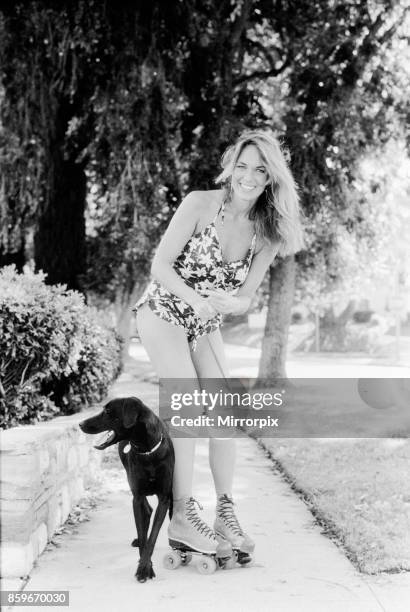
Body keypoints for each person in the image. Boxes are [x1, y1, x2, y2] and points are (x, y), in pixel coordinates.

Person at [132, 129, 304, 562]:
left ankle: (225, 509)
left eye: (260, 170)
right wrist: (198, 300)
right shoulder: (199, 204)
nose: (248, 177)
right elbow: (160, 266)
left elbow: (246, 296)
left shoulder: (268, 233)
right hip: (163, 312)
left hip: (204, 325)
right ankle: (185, 516)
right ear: (232, 166)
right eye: (243, 166)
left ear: (271, 179)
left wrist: (234, 302)